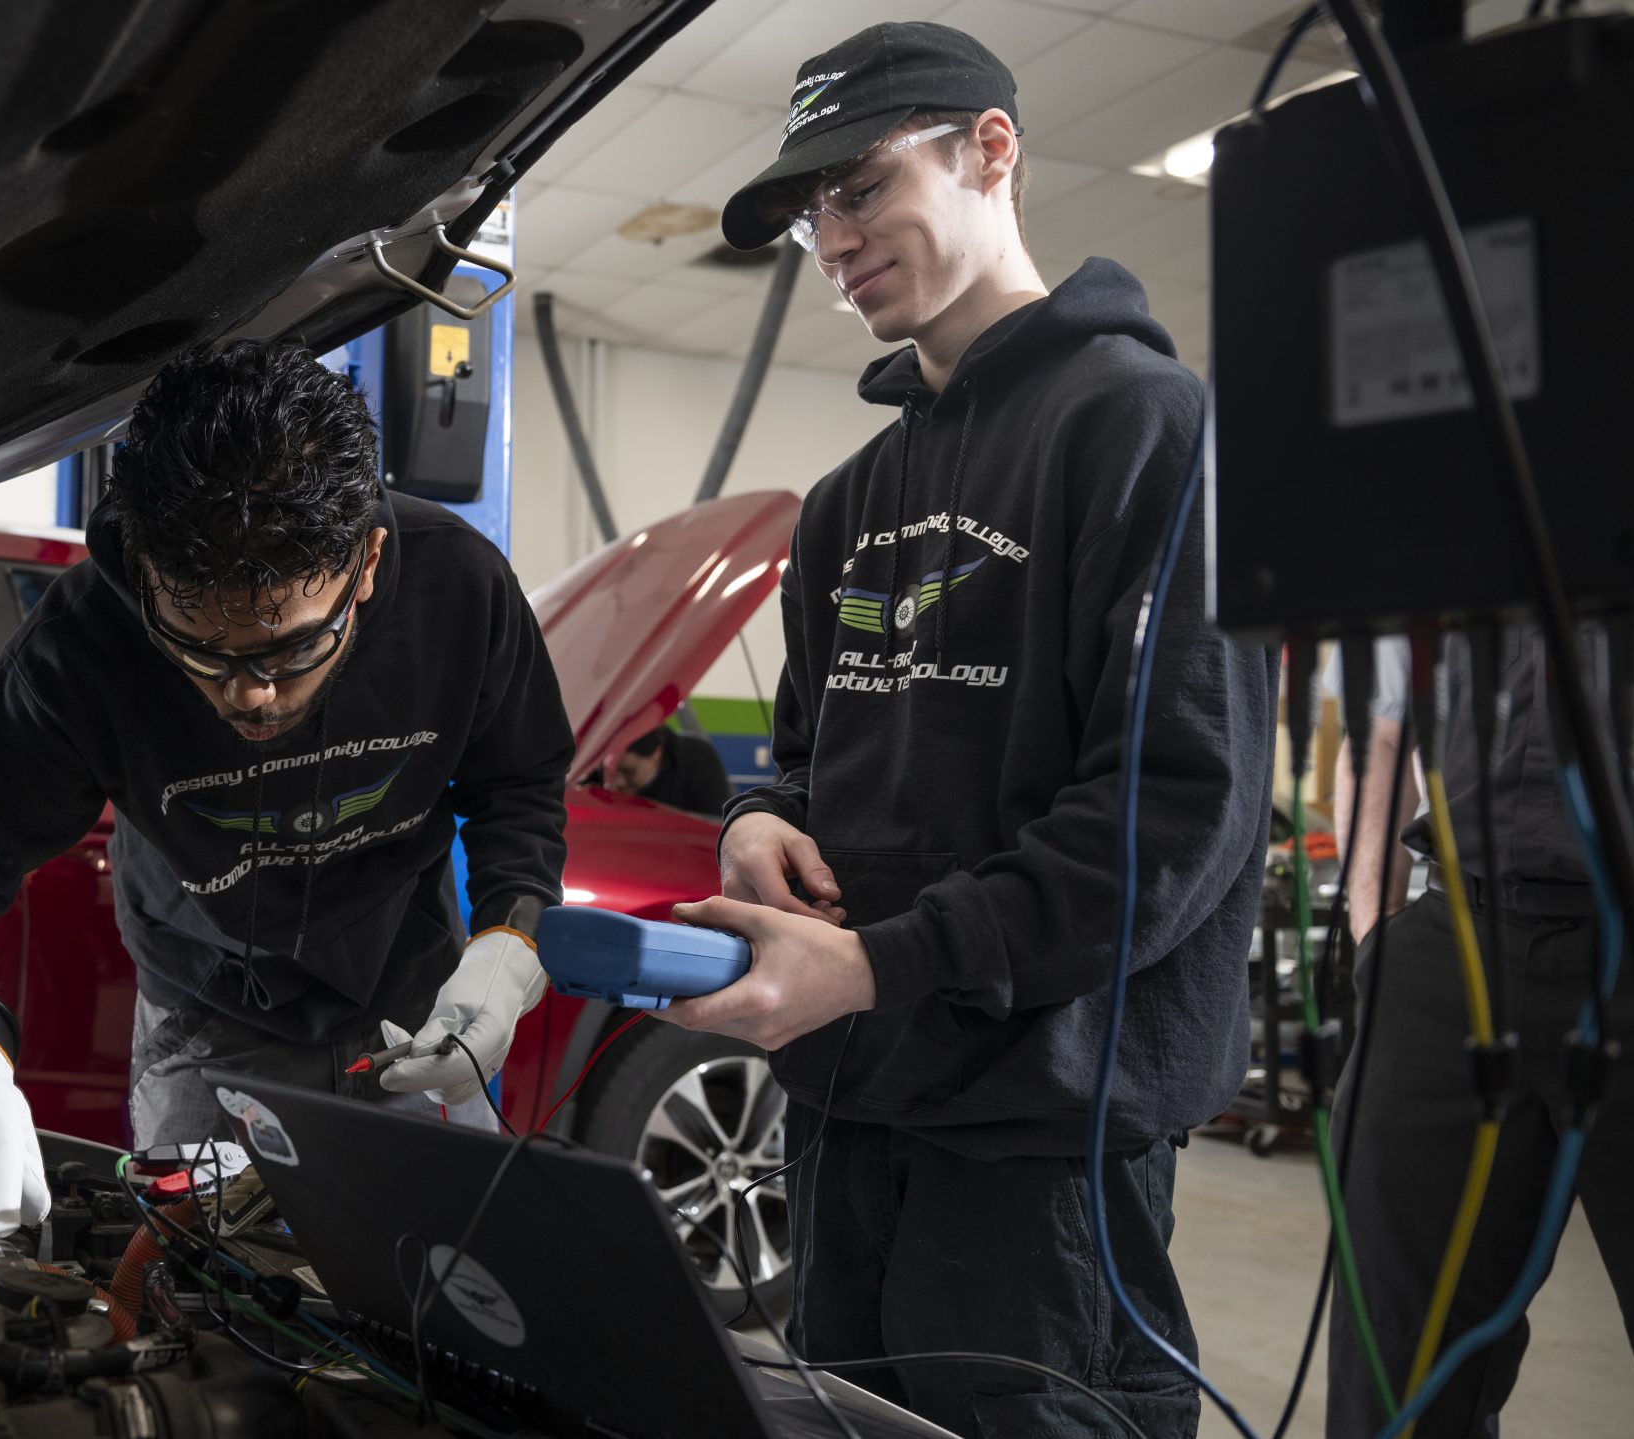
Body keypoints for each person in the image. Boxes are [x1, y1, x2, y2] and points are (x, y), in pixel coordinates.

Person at [659, 22, 1274, 1436]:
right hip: (850, 1108)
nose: (833, 236)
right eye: (814, 212)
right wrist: (756, 821)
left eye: (860, 186)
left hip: (1039, 1141)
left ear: (990, 150)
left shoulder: (1149, 428)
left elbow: (1172, 817)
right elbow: (810, 755)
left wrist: (880, 963)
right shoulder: (844, 502)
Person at [0, 339, 574, 1267]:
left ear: (369, 561)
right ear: (144, 570)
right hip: (209, 1019)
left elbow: (521, 784)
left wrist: (507, 941)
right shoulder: (81, 649)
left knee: (456, 1305)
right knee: (203, 1306)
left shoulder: (460, 590)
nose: (249, 696)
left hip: (411, 1004)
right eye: (201, 649)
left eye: (293, 651)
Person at [1326, 630, 1634, 1439]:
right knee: (1396, 1362)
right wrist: (1376, 942)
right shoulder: (1443, 509)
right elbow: (1380, 725)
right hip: (1450, 947)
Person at [604, 725, 734, 816]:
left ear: (657, 753)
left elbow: (714, 828)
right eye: (608, 771)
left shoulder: (697, 759)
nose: (615, 783)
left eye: (629, 772)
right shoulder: (595, 770)